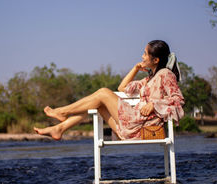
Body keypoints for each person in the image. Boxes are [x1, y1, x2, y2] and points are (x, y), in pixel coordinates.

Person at [34, 40, 184, 140]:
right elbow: (122, 88)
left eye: (145, 54)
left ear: (156, 60)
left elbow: (178, 100)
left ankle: (62, 112)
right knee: (99, 102)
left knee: (104, 93)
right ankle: (60, 128)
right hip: (132, 126)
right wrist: (136, 68)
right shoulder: (148, 79)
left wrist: (155, 104)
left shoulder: (166, 74)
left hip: (145, 127)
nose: (142, 56)